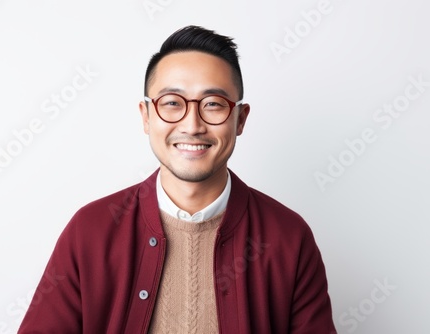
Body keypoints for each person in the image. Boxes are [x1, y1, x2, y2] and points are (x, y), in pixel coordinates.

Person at [18, 25, 337, 333]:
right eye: (172, 103)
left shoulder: (289, 237)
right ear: (146, 116)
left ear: (240, 119)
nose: (192, 125)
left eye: (213, 104)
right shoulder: (90, 230)